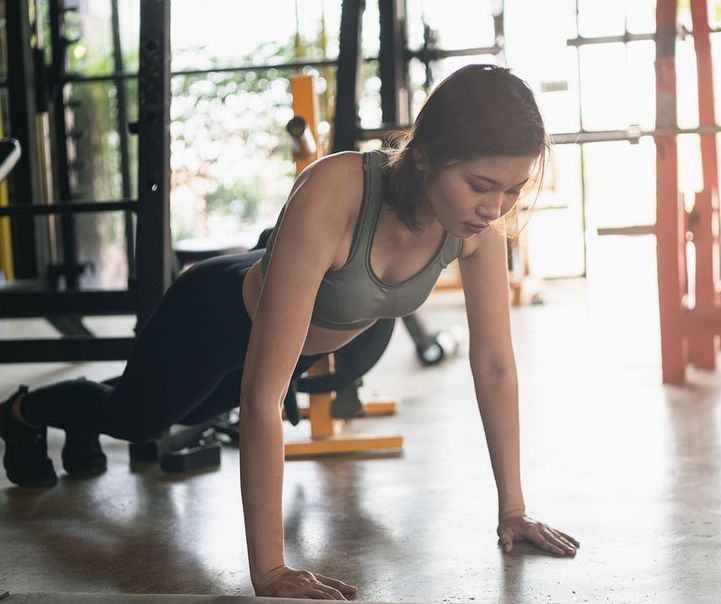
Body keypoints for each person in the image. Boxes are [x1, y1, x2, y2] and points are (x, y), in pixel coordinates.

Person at [0, 64, 580, 599]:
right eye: (481, 185)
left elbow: (495, 365)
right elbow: (262, 398)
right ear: (425, 155)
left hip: (325, 331)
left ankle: (88, 416)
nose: (494, 207)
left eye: (512, 190)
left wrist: (514, 509)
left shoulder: (479, 228)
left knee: (195, 414)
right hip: (219, 316)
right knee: (137, 421)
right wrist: (270, 570)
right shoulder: (337, 190)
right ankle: (22, 414)